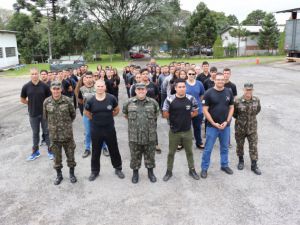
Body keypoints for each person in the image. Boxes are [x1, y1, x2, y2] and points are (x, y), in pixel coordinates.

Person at [84, 80, 124, 181]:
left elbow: (116, 110)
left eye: (102, 86)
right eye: (98, 86)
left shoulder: (111, 98)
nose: (100, 88)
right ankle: (94, 171)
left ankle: (118, 168)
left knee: (114, 149)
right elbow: (86, 112)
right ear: (95, 87)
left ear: (105, 87)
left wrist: (109, 117)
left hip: (109, 128)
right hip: (96, 130)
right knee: (96, 151)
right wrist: (94, 119)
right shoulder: (90, 100)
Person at [162, 79, 200, 181]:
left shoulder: (191, 98)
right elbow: (164, 113)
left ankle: (192, 170)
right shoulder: (169, 99)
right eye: (179, 87)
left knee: (189, 152)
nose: (182, 89)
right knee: (171, 153)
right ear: (175, 88)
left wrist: (186, 117)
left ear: (185, 88)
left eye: (183, 87)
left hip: (187, 131)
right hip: (174, 131)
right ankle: (169, 171)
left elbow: (196, 111)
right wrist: (174, 117)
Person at [123, 83, 160, 183]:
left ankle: (150, 173)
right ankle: (135, 174)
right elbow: (125, 114)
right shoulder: (129, 103)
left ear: (146, 91)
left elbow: (156, 114)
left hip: (150, 135)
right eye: (138, 89)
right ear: (135, 91)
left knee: (150, 156)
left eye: (143, 89)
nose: (141, 91)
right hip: (134, 136)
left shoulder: (153, 103)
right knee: (135, 156)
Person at [200, 73, 234, 179]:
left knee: (224, 148)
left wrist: (227, 121)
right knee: (208, 149)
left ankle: (224, 165)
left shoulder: (229, 92)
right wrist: (214, 123)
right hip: (212, 127)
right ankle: (204, 168)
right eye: (218, 80)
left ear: (224, 80)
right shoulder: (208, 93)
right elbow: (205, 110)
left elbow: (231, 107)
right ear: (214, 80)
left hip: (225, 126)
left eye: (222, 80)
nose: (220, 81)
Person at [43, 81, 77, 185]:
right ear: (51, 90)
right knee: (57, 159)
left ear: (61, 89)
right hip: (54, 136)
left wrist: (65, 125)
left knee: (71, 157)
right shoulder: (46, 102)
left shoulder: (67, 100)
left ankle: (72, 174)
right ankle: (59, 175)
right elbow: (45, 117)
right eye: (54, 89)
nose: (56, 91)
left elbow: (73, 115)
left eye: (58, 89)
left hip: (67, 135)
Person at [20, 68, 53, 161]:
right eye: (32, 74)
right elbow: (22, 99)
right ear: (30, 75)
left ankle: (50, 151)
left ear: (38, 74)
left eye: (36, 74)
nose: (34, 75)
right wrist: (29, 103)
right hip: (33, 114)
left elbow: (50, 99)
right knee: (35, 133)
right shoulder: (26, 86)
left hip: (44, 114)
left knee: (47, 132)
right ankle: (35, 152)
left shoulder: (44, 86)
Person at [233, 83, 262, 175]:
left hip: (252, 129)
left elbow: (257, 110)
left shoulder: (256, 100)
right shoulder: (237, 101)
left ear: (252, 90)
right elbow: (234, 114)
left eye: (250, 90)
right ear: (243, 90)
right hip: (240, 128)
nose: (248, 91)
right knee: (240, 145)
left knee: (253, 147)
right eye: (247, 90)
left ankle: (254, 165)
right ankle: (241, 161)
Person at [186, 68, 205, 149]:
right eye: (189, 74)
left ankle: (199, 142)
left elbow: (202, 95)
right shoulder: (183, 83)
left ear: (195, 75)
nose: (191, 75)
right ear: (187, 74)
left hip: (198, 110)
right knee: (185, 128)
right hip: (185, 109)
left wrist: (197, 103)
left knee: (197, 127)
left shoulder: (199, 83)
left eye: (193, 74)